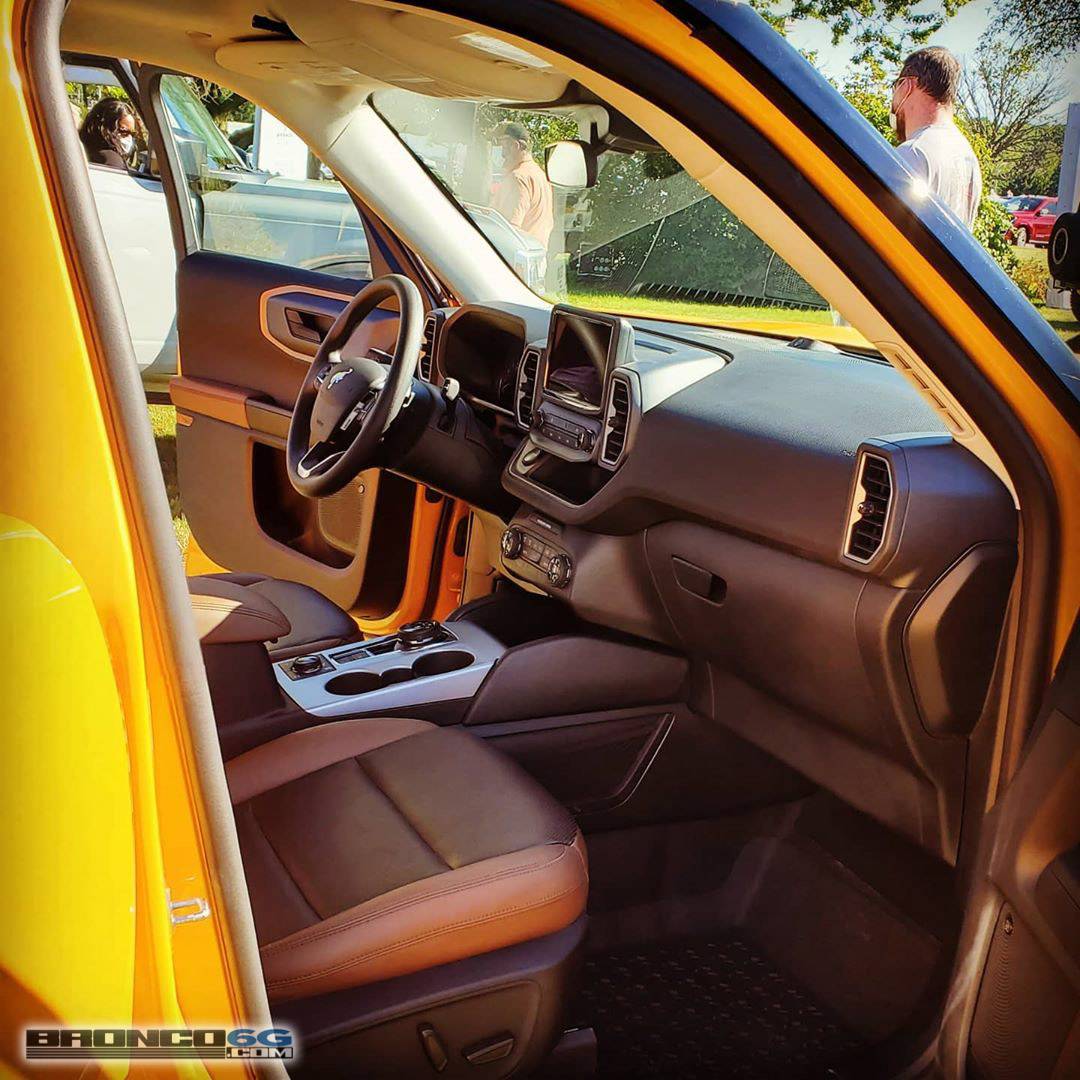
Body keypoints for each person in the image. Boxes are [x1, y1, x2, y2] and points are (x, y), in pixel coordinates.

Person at [890, 47, 982, 230]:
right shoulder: (968, 157)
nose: (892, 99)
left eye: (894, 86)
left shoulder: (913, 153)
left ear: (906, 85)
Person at [491, 120, 554, 248]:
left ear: (515, 146)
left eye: (503, 147)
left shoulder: (518, 177)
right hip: (534, 256)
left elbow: (509, 228)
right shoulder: (539, 175)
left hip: (514, 259)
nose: (502, 155)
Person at [79, 98, 138, 170]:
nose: (129, 138)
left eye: (133, 134)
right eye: (124, 132)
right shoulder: (112, 161)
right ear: (106, 128)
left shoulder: (79, 147)